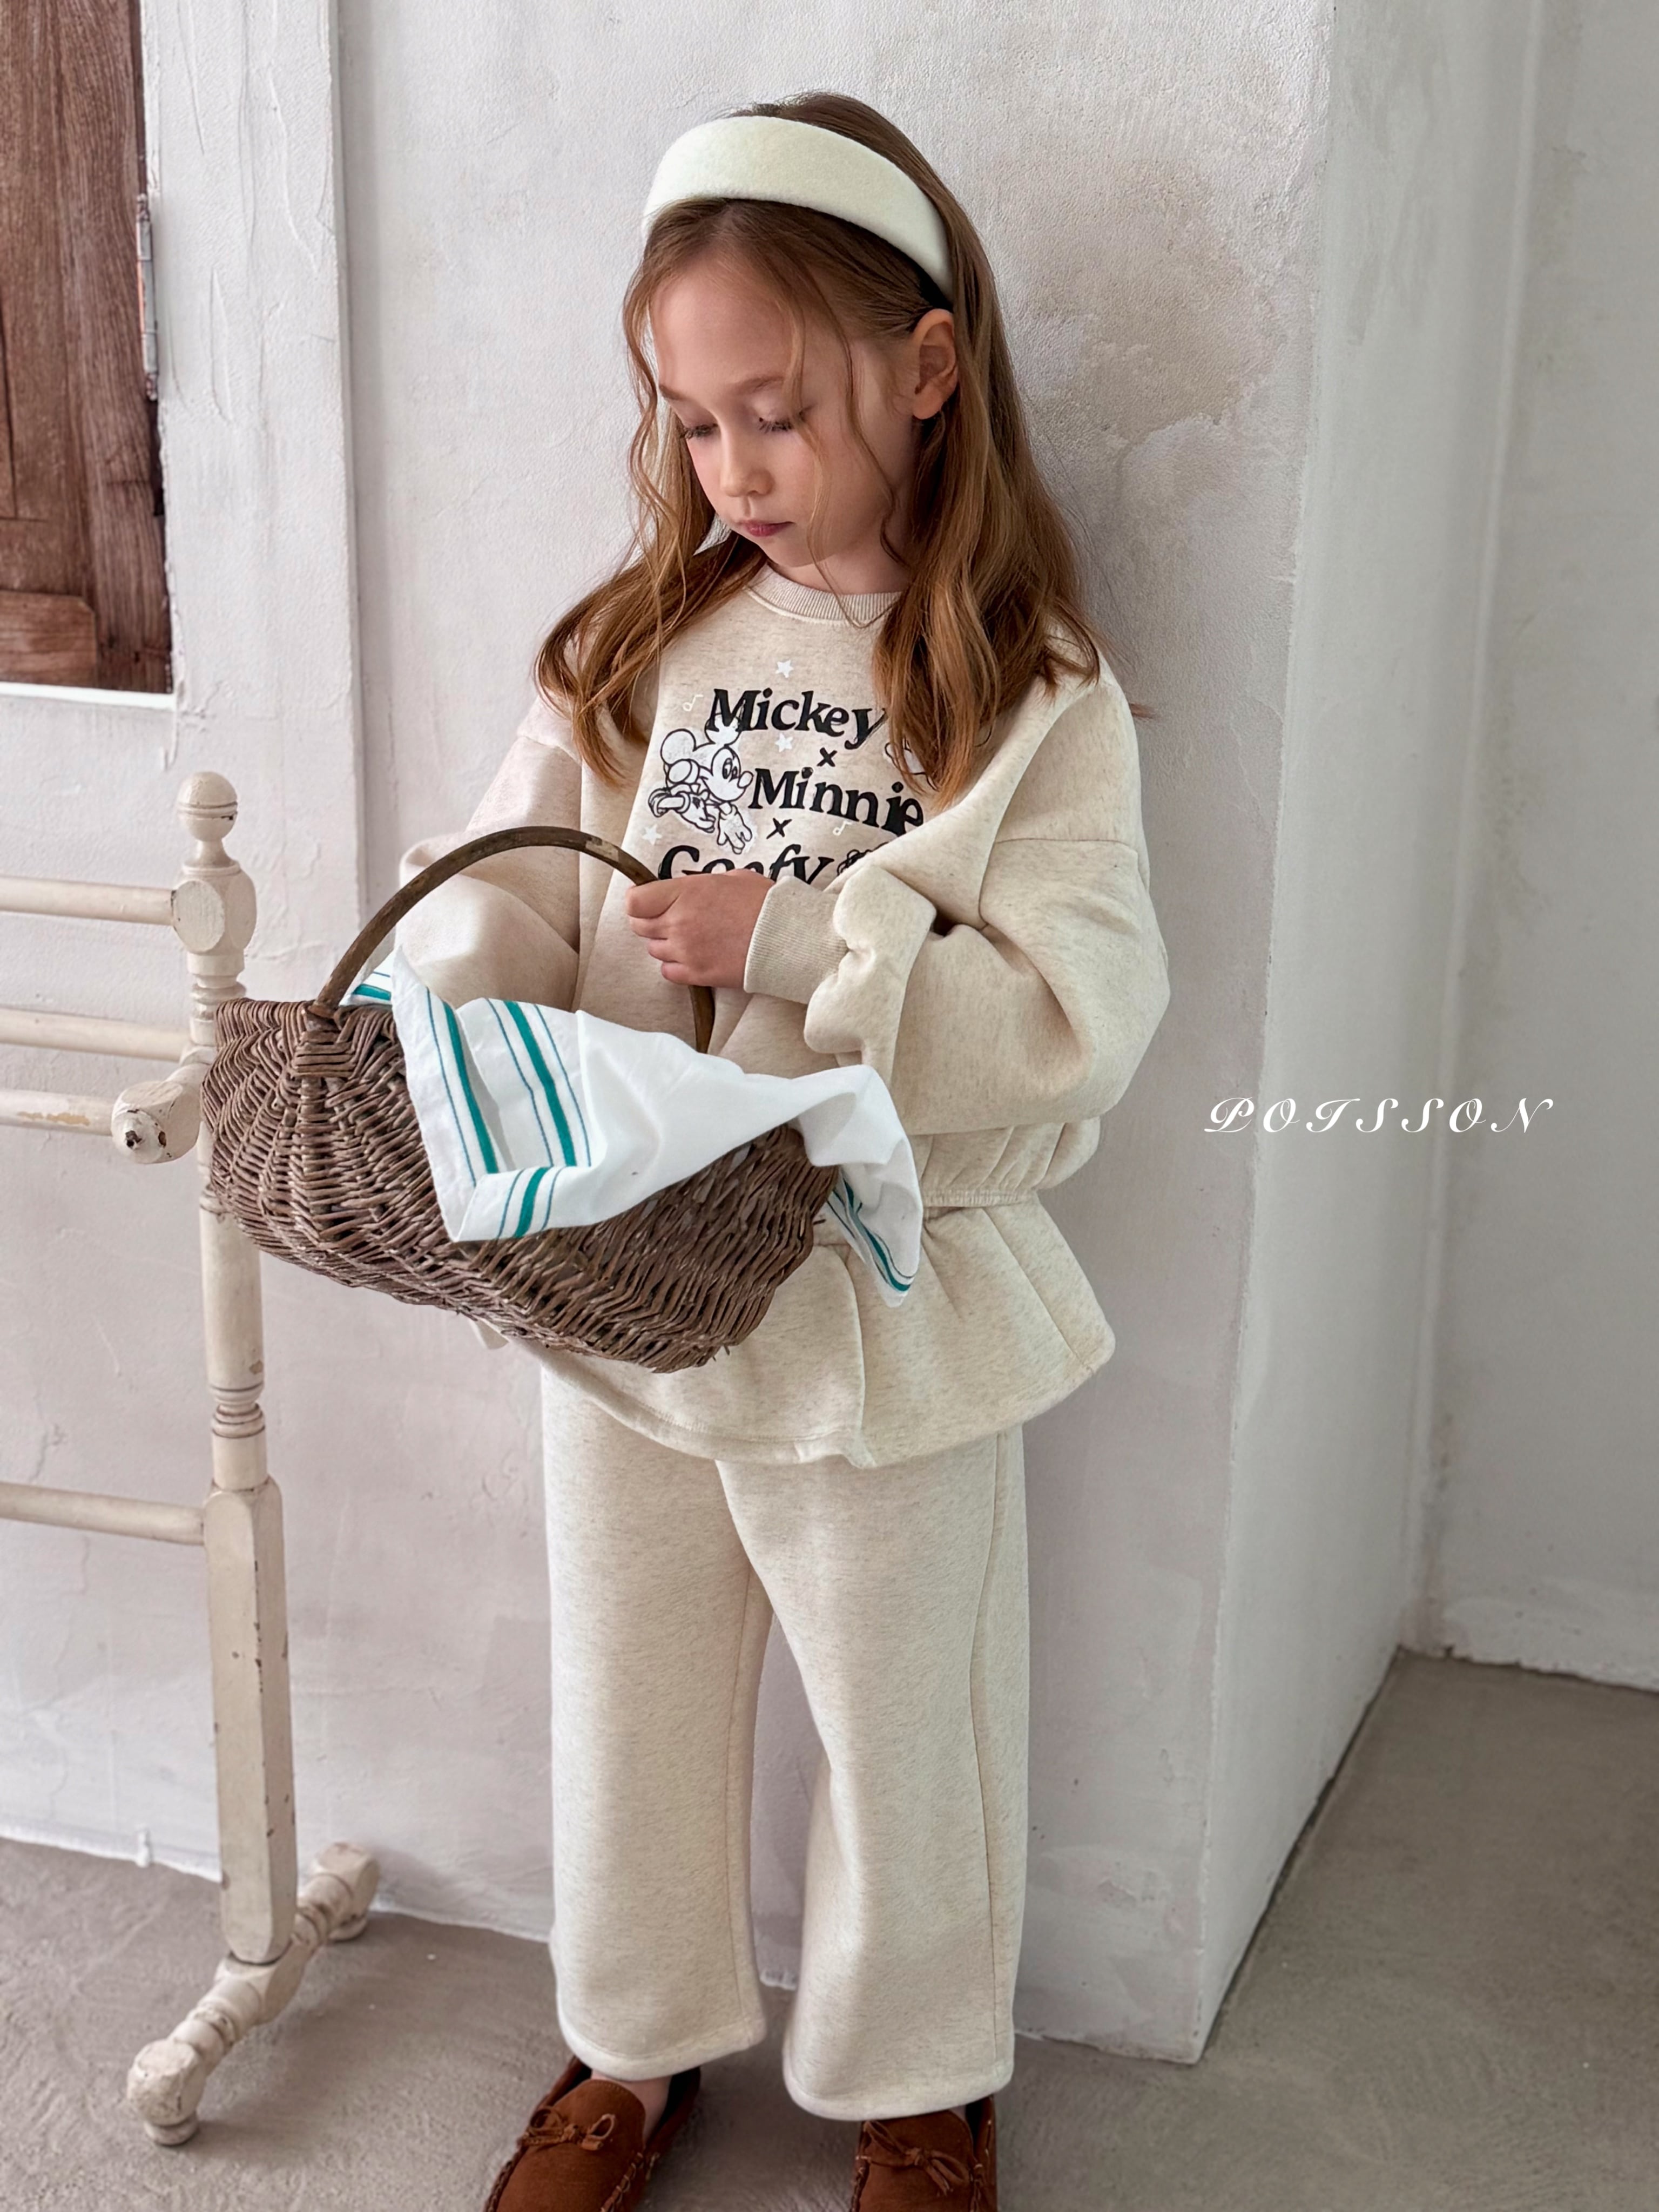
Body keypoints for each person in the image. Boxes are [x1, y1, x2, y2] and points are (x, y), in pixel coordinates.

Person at [397, 89, 1172, 2212]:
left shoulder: (1028, 693)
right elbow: (507, 882)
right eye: (692, 419)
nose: (732, 468)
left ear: (925, 372)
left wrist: (803, 942)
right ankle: (627, 2042)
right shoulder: (643, 646)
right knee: (629, 1694)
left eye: (778, 413)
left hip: (874, 1294)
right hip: (631, 1261)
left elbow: (1080, 1011)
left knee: (911, 1719)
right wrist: (441, 1012)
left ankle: (923, 2078)